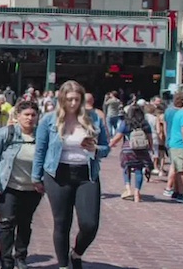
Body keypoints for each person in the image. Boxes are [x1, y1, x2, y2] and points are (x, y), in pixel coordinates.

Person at [32, 81, 109, 269]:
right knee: (62, 222)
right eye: (69, 100)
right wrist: (36, 177)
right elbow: (40, 149)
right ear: (62, 100)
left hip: (86, 174)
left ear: (82, 100)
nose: (73, 103)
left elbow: (106, 148)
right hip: (57, 173)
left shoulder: (94, 118)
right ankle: (64, 265)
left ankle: (77, 253)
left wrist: (96, 148)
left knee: (89, 224)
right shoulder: (49, 120)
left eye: (76, 99)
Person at [0, 100, 43, 269]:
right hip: (8, 187)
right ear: (18, 116)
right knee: (7, 222)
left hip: (32, 188)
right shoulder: (6, 134)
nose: (30, 118)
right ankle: (6, 260)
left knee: (25, 223)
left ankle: (20, 257)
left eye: (33, 115)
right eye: (26, 115)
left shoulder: (41, 136)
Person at [109, 104, 153, 203]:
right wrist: (150, 149)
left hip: (128, 150)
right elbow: (150, 138)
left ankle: (128, 189)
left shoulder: (126, 123)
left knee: (126, 168)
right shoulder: (145, 123)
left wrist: (110, 144)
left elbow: (118, 137)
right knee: (139, 170)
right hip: (141, 149)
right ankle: (137, 192)